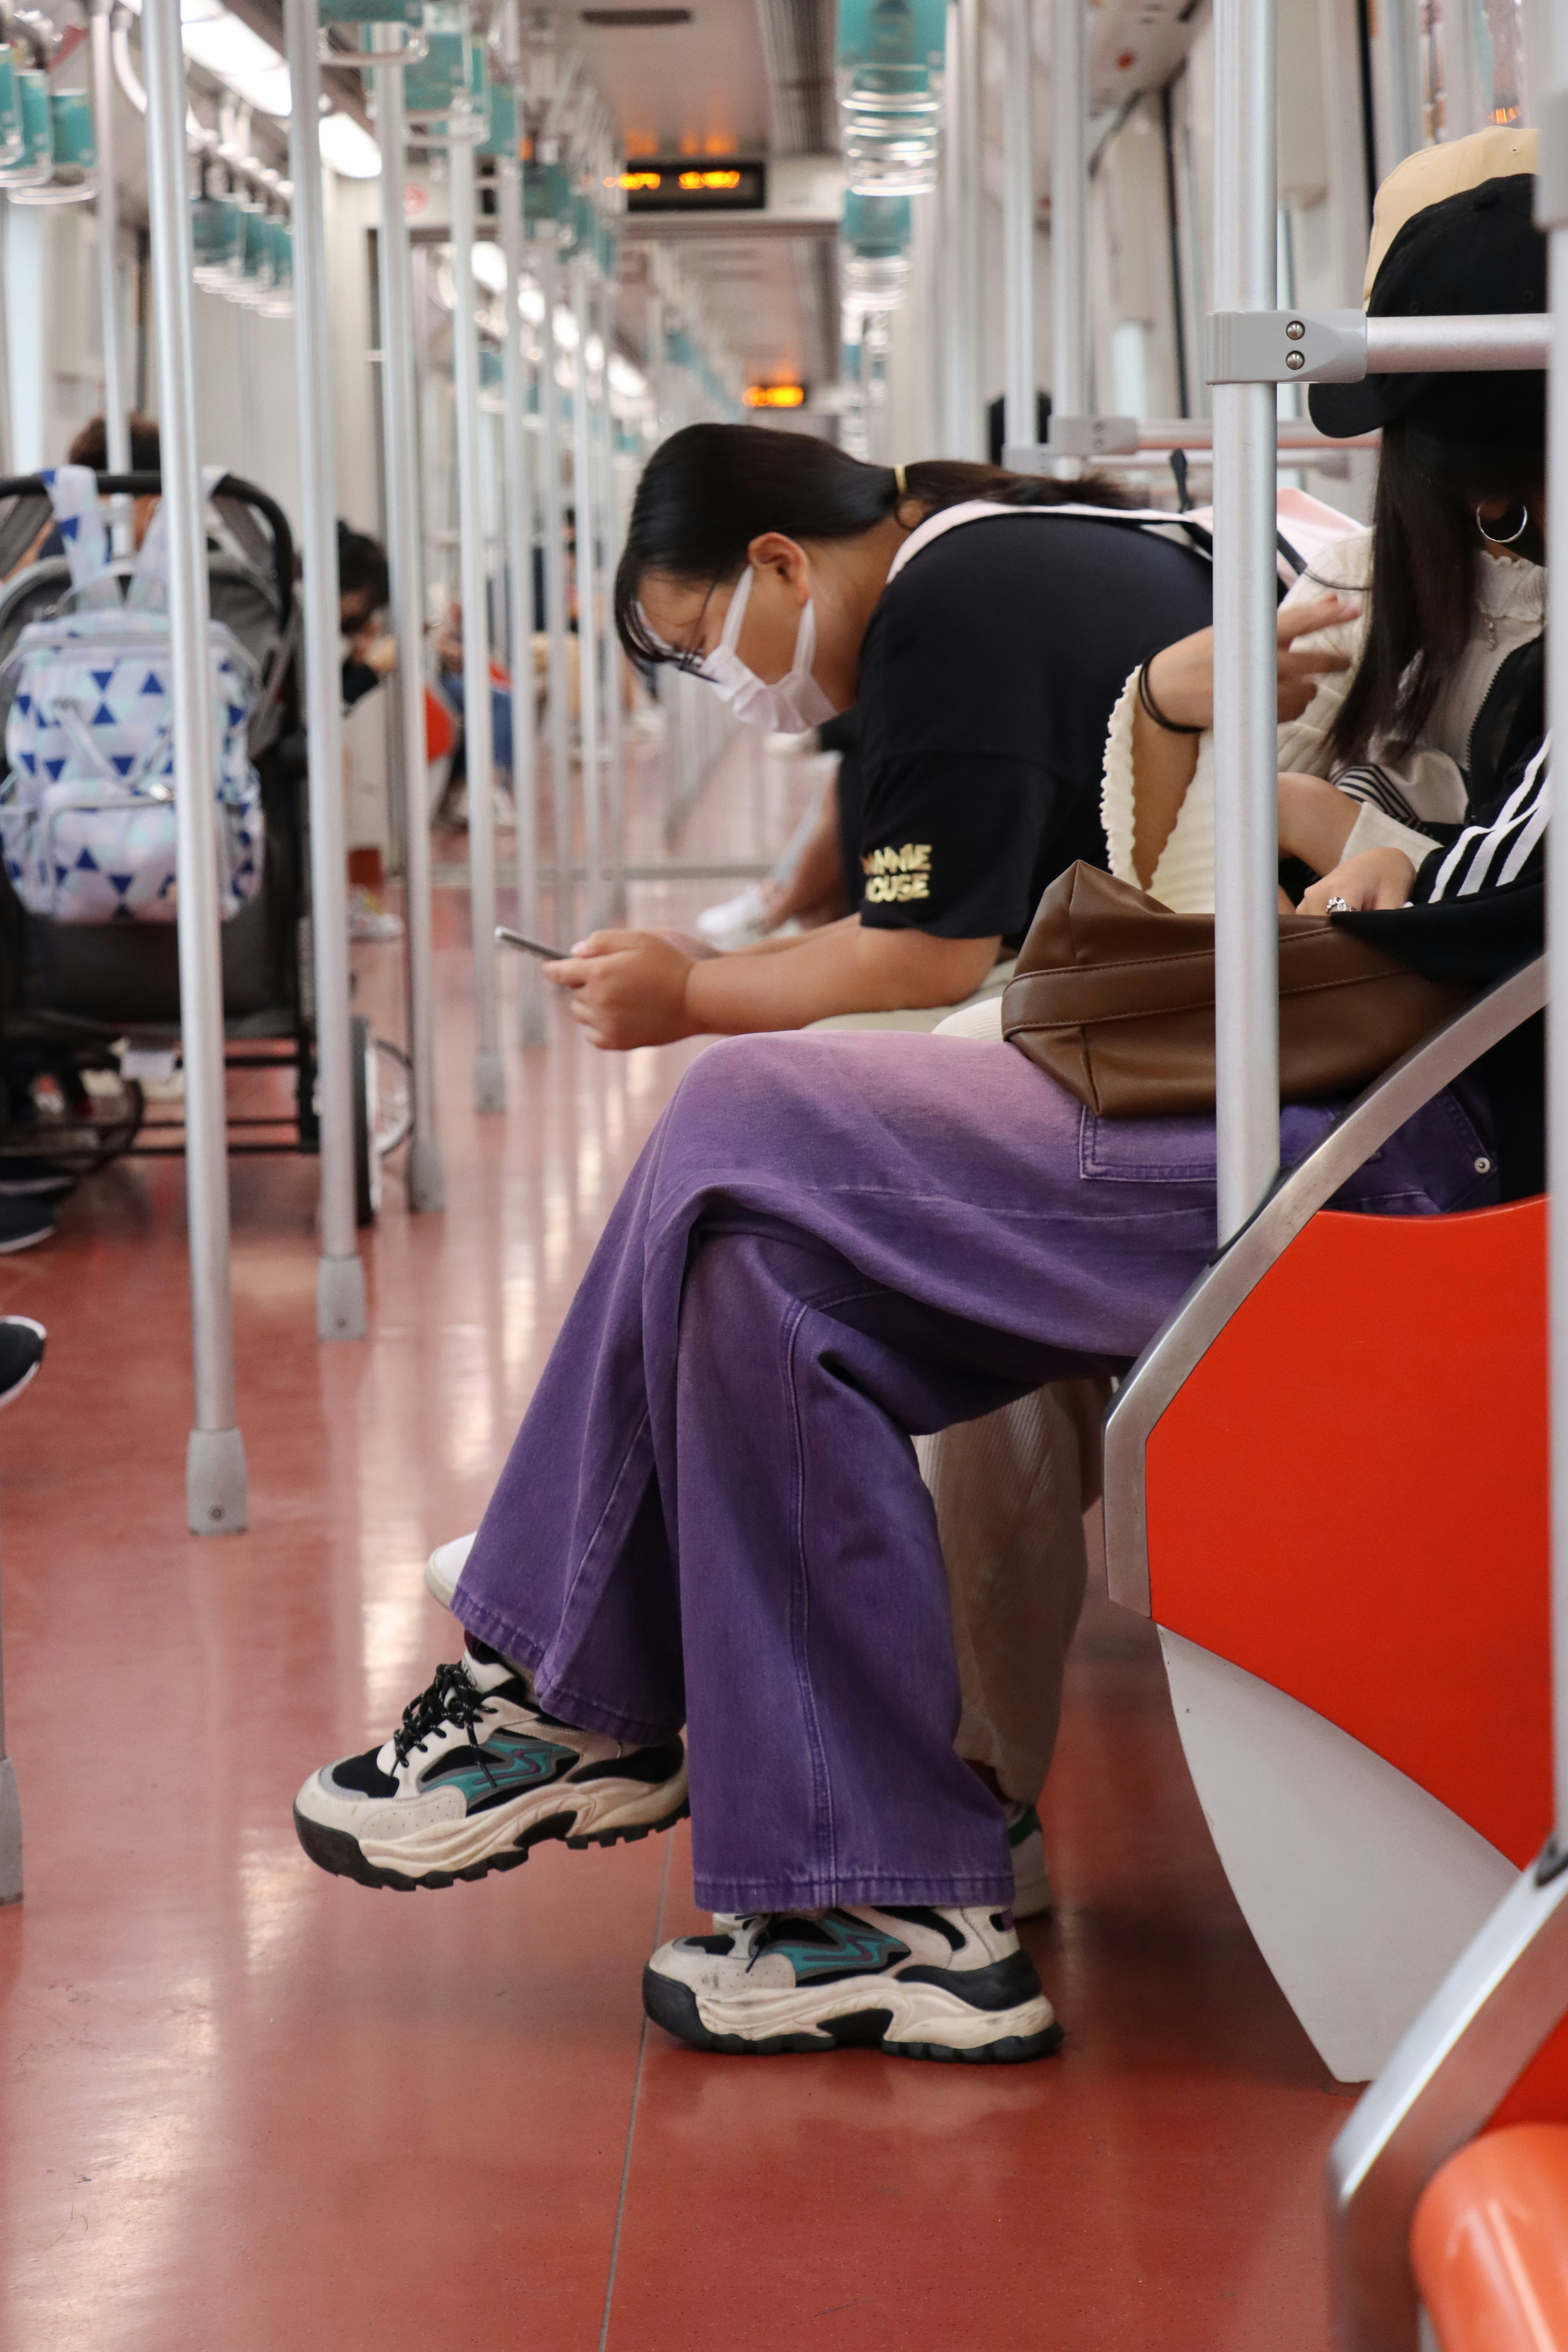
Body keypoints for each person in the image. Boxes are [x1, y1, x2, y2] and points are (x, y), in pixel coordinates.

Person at [293, 175, 1548, 2060]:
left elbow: (1461, 931)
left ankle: (560, 1684)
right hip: (1341, 1101)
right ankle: (889, 1908)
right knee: (756, 1278)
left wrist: (1325, 831)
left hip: (1408, 1171)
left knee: (737, 1115)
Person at [540, 432, 1224, 1045]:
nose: (721, 678)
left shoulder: (940, 619)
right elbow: (938, 914)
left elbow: (927, 959)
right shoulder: (981, 554)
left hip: (1229, 977)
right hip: (1226, 938)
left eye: (703, 644)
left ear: (781, 564)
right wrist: (711, 966)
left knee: (770, 1086)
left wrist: (686, 998)